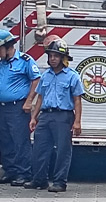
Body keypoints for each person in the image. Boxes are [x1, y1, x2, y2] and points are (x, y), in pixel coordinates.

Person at [24, 39, 84, 192]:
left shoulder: (72, 76)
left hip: (63, 117)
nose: (53, 59)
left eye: (56, 56)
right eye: (50, 56)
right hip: (45, 116)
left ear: (63, 58)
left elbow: (77, 100)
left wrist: (77, 121)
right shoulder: (46, 75)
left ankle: (59, 182)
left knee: (63, 151)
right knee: (39, 148)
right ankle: (39, 180)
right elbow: (40, 98)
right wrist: (34, 117)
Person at [0, 30, 40, 186]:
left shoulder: (25, 60)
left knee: (20, 141)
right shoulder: (1, 62)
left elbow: (36, 80)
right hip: (2, 108)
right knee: (5, 141)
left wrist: (29, 101)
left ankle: (24, 173)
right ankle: (10, 171)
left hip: (17, 108)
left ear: (8, 46)